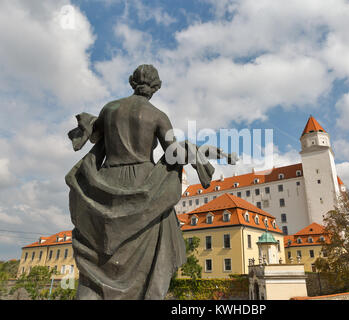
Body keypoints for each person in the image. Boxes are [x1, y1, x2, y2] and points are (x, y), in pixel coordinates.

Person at [65, 64, 235, 299]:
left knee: (99, 257)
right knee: (155, 254)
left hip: (106, 184)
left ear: (131, 82)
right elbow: (175, 152)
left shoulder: (110, 109)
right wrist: (205, 152)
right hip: (145, 186)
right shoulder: (157, 116)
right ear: (157, 87)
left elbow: (95, 139)